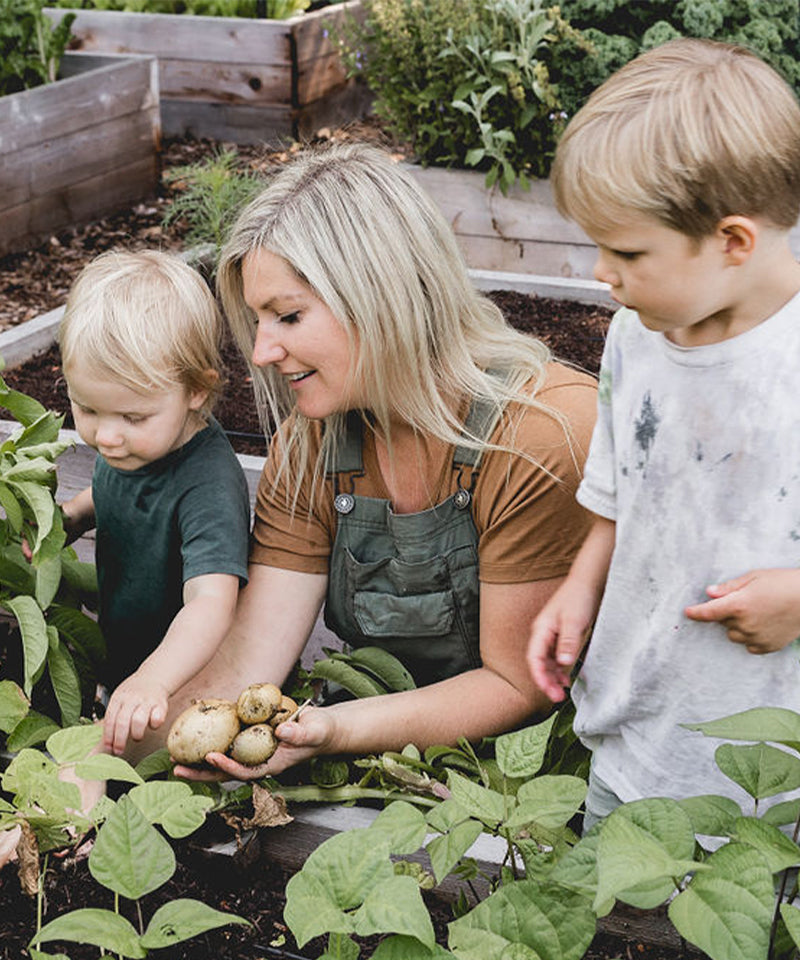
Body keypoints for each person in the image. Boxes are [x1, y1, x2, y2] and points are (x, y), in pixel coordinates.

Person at [131, 142, 598, 778]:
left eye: (288, 316)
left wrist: (334, 731)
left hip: (543, 785)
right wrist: (88, 769)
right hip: (383, 756)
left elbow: (518, 685)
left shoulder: (542, 435)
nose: (263, 351)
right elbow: (247, 659)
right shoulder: (317, 437)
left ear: (380, 295)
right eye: (259, 321)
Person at [527, 38, 800, 832]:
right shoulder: (635, 336)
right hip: (638, 742)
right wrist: (581, 589)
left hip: (775, 776)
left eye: (627, 252)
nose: (602, 274)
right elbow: (619, 488)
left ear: (733, 241)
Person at [58, 250, 251, 757]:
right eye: (87, 408)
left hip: (179, 691)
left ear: (195, 390)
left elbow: (211, 603)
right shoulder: (132, 447)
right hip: (123, 665)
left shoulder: (206, 483)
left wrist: (153, 680)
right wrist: (72, 518)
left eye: (133, 417)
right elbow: (108, 492)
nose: (107, 436)